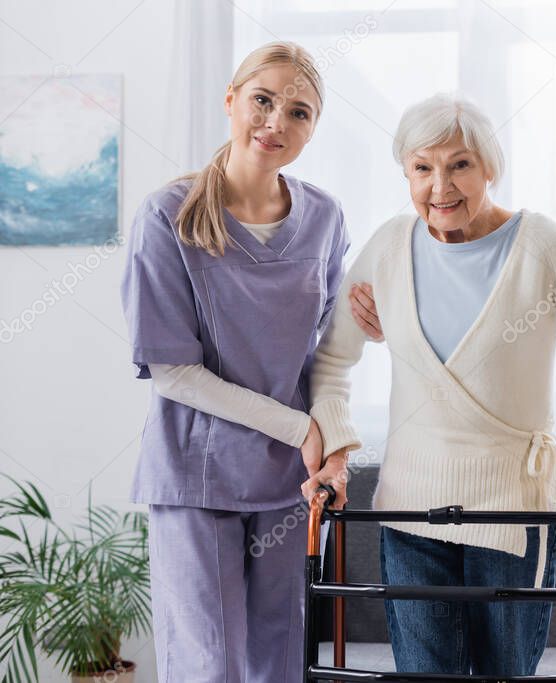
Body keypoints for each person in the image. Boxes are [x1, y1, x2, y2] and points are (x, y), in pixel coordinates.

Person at [300, 92, 556, 675]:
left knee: (504, 674)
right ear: (406, 174)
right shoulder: (390, 246)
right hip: (409, 513)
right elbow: (332, 362)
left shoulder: (539, 246)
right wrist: (338, 456)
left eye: (459, 165)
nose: (440, 186)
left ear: (489, 167)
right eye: (422, 168)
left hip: (513, 513)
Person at [120, 41, 380, 682]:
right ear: (231, 100)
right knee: (211, 663)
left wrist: (335, 433)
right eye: (263, 100)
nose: (276, 122)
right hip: (197, 473)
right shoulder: (167, 216)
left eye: (299, 112)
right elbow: (173, 370)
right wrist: (302, 429)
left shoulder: (323, 216)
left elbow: (326, 352)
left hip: (291, 480)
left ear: (313, 130)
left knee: (281, 658)